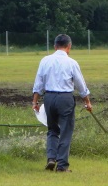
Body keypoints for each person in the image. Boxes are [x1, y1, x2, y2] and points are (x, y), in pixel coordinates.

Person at [32, 34, 92, 172]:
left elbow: (39, 83)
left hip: (49, 98)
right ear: (69, 47)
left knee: (52, 129)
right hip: (65, 98)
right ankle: (62, 165)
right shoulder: (72, 63)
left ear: (55, 46)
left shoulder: (45, 60)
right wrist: (87, 102)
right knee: (65, 131)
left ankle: (51, 158)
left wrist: (35, 101)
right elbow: (81, 85)